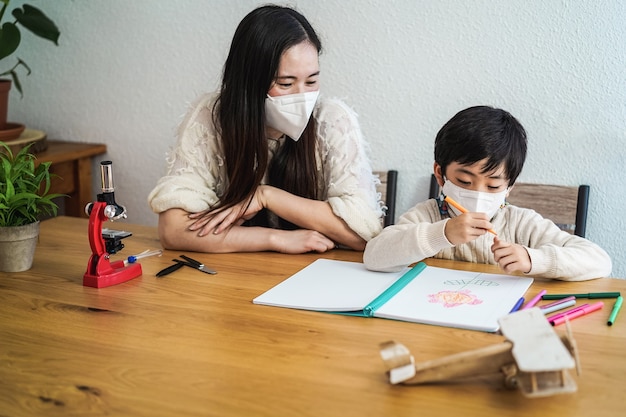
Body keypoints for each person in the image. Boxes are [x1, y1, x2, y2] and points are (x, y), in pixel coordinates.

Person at [148, 5, 383, 254]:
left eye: (312, 81)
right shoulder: (211, 116)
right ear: (249, 83)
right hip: (236, 275)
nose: (302, 96)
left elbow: (365, 235)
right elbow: (173, 230)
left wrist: (266, 196)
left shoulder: (332, 119)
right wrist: (275, 239)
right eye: (285, 83)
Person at [363, 105, 612, 281]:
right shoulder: (428, 215)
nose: (478, 194)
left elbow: (599, 261)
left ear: (509, 187)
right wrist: (442, 234)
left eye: (493, 186)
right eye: (464, 180)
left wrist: (533, 259)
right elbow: (374, 256)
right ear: (440, 174)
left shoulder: (521, 223)